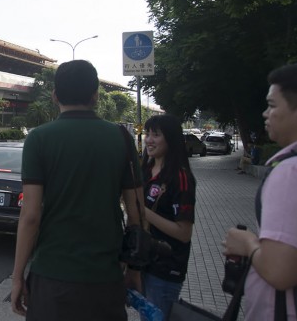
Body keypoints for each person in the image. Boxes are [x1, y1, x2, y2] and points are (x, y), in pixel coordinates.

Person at [11, 60, 144, 320]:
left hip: (52, 277)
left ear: (54, 96)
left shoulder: (39, 138)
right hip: (106, 277)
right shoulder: (121, 138)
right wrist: (135, 270)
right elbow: (137, 213)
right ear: (95, 96)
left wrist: (17, 277)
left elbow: (30, 216)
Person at [223, 63, 297, 320]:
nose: (265, 114)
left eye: (273, 105)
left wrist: (248, 243)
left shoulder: (294, 172)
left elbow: (280, 272)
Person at [140, 114, 197, 317]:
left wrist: (143, 212)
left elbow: (183, 233)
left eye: (156, 135)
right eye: (147, 134)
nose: (149, 139)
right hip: (143, 264)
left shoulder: (180, 177)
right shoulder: (146, 171)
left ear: (171, 139)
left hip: (165, 270)